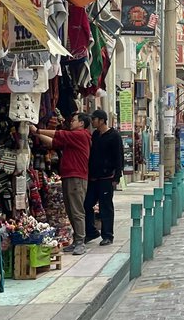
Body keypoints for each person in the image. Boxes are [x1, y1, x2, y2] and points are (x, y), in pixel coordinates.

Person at [33, 113, 90, 255]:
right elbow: (53, 143)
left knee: (77, 210)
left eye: (74, 120)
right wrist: (36, 134)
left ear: (82, 123)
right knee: (70, 210)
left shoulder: (81, 135)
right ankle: (76, 240)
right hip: (69, 175)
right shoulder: (73, 139)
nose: (71, 122)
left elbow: (59, 134)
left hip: (76, 176)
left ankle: (81, 242)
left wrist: (38, 130)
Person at [84, 109, 124, 246]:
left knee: (105, 206)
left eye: (94, 119)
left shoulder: (114, 136)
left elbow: (119, 157)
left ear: (101, 120)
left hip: (107, 177)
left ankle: (107, 235)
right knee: (87, 204)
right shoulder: (95, 134)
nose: (92, 122)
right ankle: (90, 231)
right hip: (93, 177)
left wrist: (117, 177)